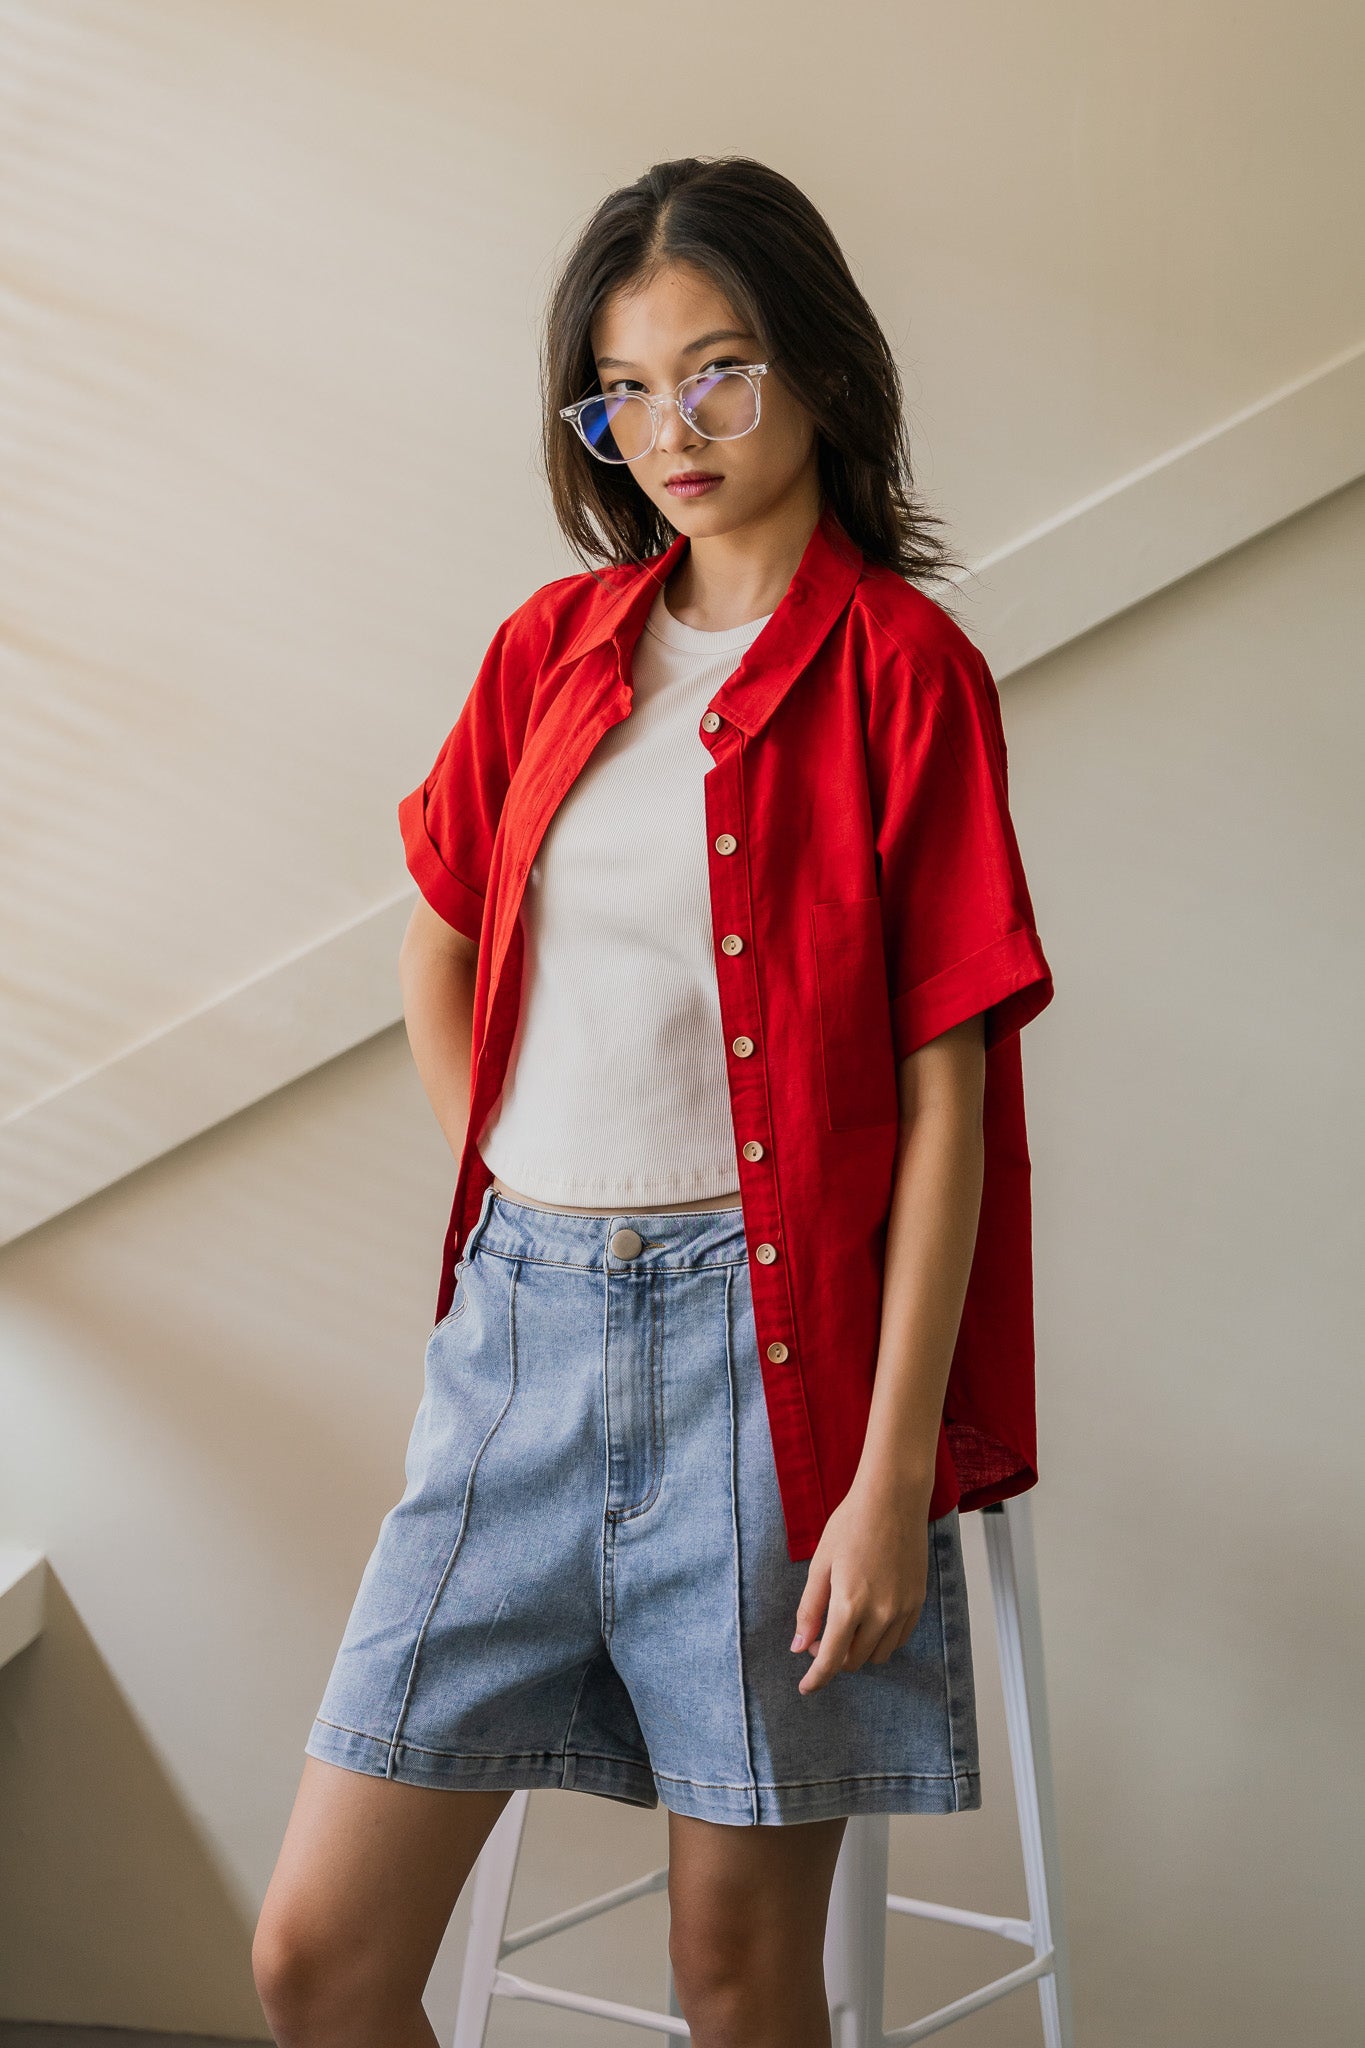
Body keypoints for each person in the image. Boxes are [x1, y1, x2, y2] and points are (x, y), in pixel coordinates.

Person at [253, 154, 1054, 2048]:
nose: (668, 431)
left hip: (769, 1379)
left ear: (819, 371)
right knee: (316, 1957)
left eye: (715, 373)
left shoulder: (904, 676)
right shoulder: (549, 649)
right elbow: (440, 940)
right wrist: (511, 1188)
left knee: (735, 1973)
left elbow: (947, 1104)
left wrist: (887, 1482)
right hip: (516, 1347)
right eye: (621, 391)